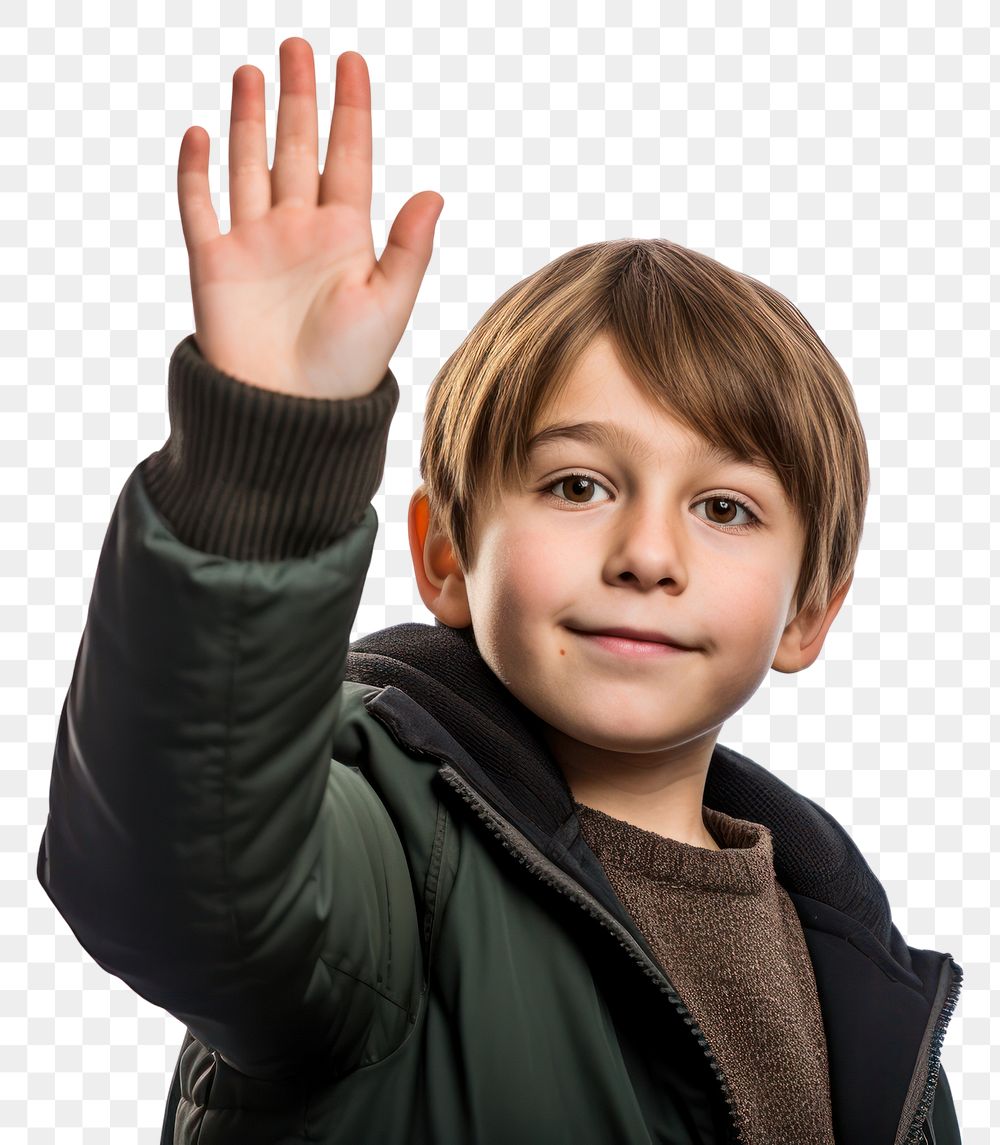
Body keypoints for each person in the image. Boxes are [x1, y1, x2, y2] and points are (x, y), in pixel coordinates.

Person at [35, 36, 962, 1145]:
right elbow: (179, 862)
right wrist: (264, 456)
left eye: (723, 508)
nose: (648, 553)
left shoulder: (860, 979)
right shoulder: (382, 863)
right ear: (442, 557)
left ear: (810, 609)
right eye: (578, 484)